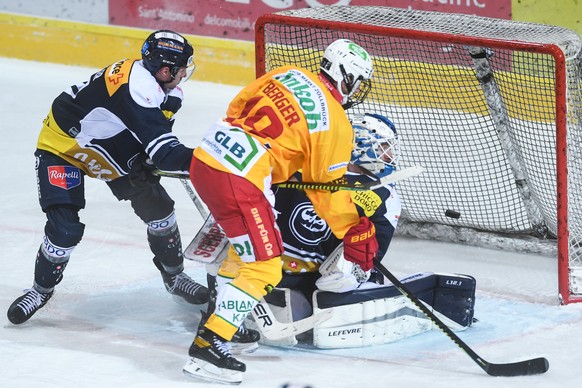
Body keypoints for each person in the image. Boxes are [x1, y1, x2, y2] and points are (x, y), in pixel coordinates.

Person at [184, 39, 376, 384]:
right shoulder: (335, 121)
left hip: (207, 156)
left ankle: (223, 325)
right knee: (266, 268)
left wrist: (279, 164)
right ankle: (209, 346)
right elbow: (325, 191)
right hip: (240, 178)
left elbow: (238, 107)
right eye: (357, 81)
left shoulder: (287, 74)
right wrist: (353, 228)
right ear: (344, 76)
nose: (356, 89)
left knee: (244, 258)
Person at [7, 30, 209, 325]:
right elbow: (167, 153)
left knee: (160, 210)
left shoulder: (163, 90)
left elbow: (155, 145)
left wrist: (153, 160)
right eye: (181, 69)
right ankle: (40, 290)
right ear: (165, 71)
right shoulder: (137, 89)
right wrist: (215, 162)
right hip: (66, 149)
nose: (184, 74)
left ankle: (175, 277)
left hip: (112, 147)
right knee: (65, 229)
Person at [274, 112, 401, 298]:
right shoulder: (304, 166)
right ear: (360, 145)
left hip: (315, 280)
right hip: (277, 269)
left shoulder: (384, 194)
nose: (389, 155)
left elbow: (373, 256)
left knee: (349, 276)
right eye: (383, 147)